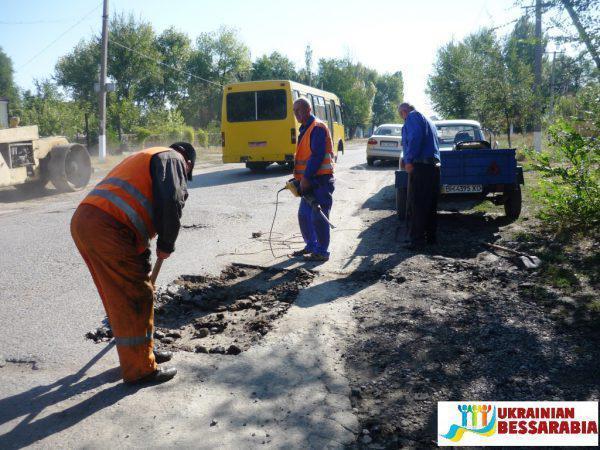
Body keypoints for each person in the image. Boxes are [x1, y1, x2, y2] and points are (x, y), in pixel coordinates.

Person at [71, 142, 196, 384]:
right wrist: (166, 245)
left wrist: (146, 259)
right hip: (108, 227)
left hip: (86, 221)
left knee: (122, 295)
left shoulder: (149, 156)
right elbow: (171, 202)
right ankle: (140, 368)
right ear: (188, 163)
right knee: (137, 296)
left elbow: (139, 213)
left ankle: (140, 353)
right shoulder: (173, 160)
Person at [292, 98, 335, 262]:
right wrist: (300, 178)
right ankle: (311, 245)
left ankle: (322, 251)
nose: (296, 114)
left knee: (318, 216)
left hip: (321, 181)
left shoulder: (317, 127)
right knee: (304, 215)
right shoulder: (305, 128)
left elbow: (316, 156)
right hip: (309, 181)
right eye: (294, 111)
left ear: (308, 110)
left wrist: (306, 178)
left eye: (299, 110)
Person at [399, 102, 441, 250]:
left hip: (421, 166)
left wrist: (409, 160)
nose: (402, 119)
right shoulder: (428, 120)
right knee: (429, 204)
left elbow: (415, 138)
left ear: (404, 111)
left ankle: (416, 241)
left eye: (401, 115)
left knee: (417, 204)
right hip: (432, 167)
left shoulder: (412, 117)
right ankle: (430, 238)